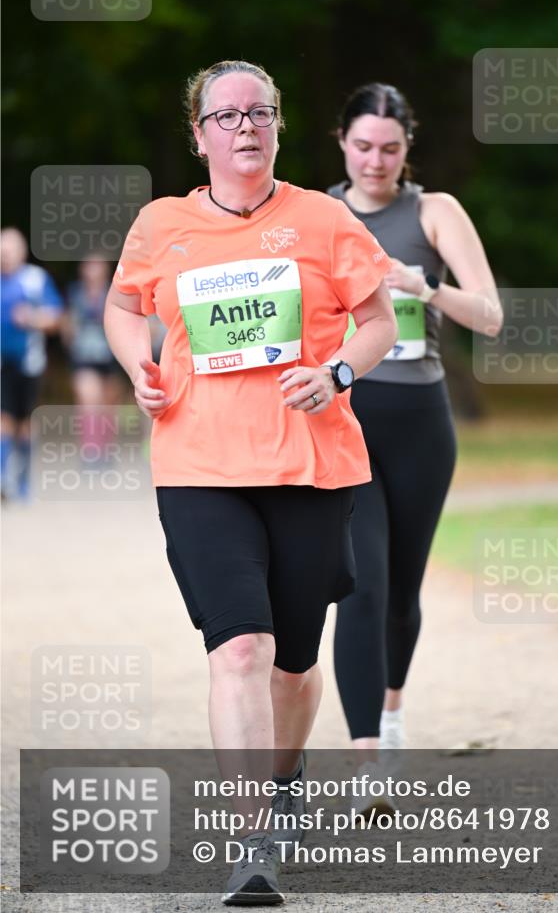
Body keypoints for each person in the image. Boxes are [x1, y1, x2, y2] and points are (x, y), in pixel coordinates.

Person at [103, 60, 397, 905]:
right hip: (198, 466)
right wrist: (137, 364)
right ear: (198, 135)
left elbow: (378, 321)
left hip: (309, 466)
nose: (245, 127)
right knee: (239, 649)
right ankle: (252, 843)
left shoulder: (324, 220)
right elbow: (123, 306)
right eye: (226, 116)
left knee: (293, 667)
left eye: (259, 113)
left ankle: (285, 771)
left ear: (277, 126)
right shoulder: (161, 225)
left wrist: (336, 373)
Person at [329, 83, 503, 808]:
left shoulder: (435, 212)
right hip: (344, 419)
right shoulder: (314, 213)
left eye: (390, 149)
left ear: (408, 148)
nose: (376, 161)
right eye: (363, 146)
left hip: (419, 423)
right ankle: (367, 760)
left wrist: (423, 286)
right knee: (360, 587)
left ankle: (392, 713)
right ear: (342, 143)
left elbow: (489, 316)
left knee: (401, 594)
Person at [1, 227, 63, 501]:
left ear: (21, 251)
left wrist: (32, 318)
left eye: (9, 250)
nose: (5, 255)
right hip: (3, 364)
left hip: (30, 363)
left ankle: (23, 481)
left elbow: (56, 318)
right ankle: (3, 478)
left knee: (25, 423)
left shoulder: (35, 280)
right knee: (3, 420)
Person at [62, 257, 123, 453]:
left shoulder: (115, 292)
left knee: (108, 404)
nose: (93, 271)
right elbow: (67, 323)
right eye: (89, 266)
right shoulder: (75, 293)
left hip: (112, 356)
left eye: (97, 266)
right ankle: (90, 450)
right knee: (89, 399)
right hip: (84, 357)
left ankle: (106, 449)